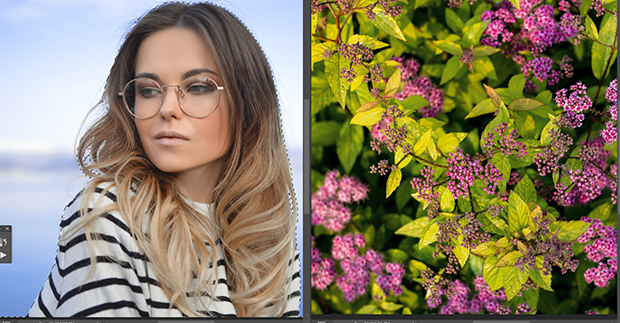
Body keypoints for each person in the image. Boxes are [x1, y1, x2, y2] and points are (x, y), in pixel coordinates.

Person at [27, 2, 300, 317]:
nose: (166, 108)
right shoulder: (107, 213)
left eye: (197, 87)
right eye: (148, 90)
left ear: (248, 102)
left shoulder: (268, 227)